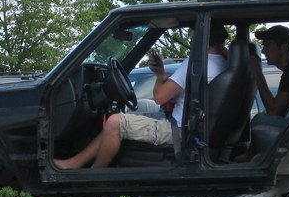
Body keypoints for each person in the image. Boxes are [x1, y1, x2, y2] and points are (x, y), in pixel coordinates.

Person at [55, 27, 228, 169]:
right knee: (143, 106)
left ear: (199, 39)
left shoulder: (198, 63)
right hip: (192, 124)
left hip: (180, 130)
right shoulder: (220, 62)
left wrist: (159, 79)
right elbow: (185, 91)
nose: (191, 41)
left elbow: (160, 97)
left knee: (115, 122)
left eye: (193, 37)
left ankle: (93, 175)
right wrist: (160, 72)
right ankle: (75, 162)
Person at [250, 25, 289, 116]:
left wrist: (258, 74)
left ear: (284, 47)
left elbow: (273, 112)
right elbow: (281, 112)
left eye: (268, 45)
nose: (263, 51)